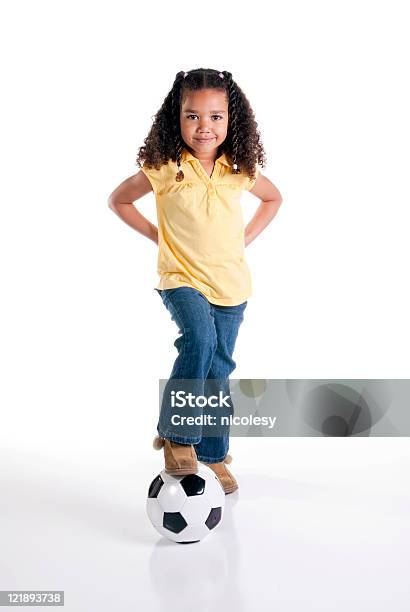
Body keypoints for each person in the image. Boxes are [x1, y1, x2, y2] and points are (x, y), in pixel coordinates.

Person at [108, 68, 283, 494]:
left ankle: (213, 453)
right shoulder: (164, 166)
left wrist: (247, 238)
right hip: (181, 276)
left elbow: (273, 198)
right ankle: (178, 436)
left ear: (231, 120)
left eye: (216, 116)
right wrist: (156, 235)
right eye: (192, 116)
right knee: (199, 342)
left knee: (219, 369)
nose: (204, 126)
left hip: (231, 284)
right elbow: (120, 199)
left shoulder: (239, 167)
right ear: (177, 117)